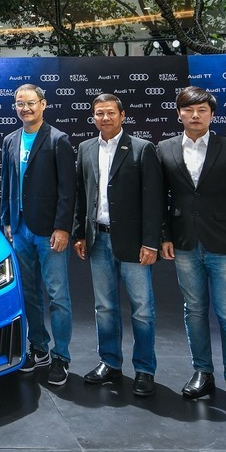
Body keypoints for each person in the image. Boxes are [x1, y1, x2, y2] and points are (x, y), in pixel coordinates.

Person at [158, 86, 226, 411]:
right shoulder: (165, 148)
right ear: (179, 114)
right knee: (194, 310)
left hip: (224, 244)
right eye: (189, 110)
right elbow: (159, 198)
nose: (195, 115)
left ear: (212, 115)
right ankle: (203, 372)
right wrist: (164, 236)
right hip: (185, 244)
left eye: (202, 110)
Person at [73, 93, 163, 397]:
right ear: (93, 117)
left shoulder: (142, 148)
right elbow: (81, 194)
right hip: (98, 239)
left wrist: (150, 242)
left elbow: (153, 199)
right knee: (105, 307)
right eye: (99, 113)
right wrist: (80, 233)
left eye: (111, 112)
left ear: (123, 115)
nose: (105, 118)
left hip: (134, 242)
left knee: (142, 308)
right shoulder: (85, 148)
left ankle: (144, 369)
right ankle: (109, 363)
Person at [1, 84, 75, 386]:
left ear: (43, 104)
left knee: (58, 296)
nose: (25, 108)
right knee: (29, 293)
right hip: (19, 229)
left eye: (31, 103)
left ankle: (61, 356)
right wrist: (7, 220)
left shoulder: (58, 140)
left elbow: (68, 189)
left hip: (49, 231)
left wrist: (62, 227)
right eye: (20, 103)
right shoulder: (10, 140)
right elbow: (6, 182)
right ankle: (39, 348)